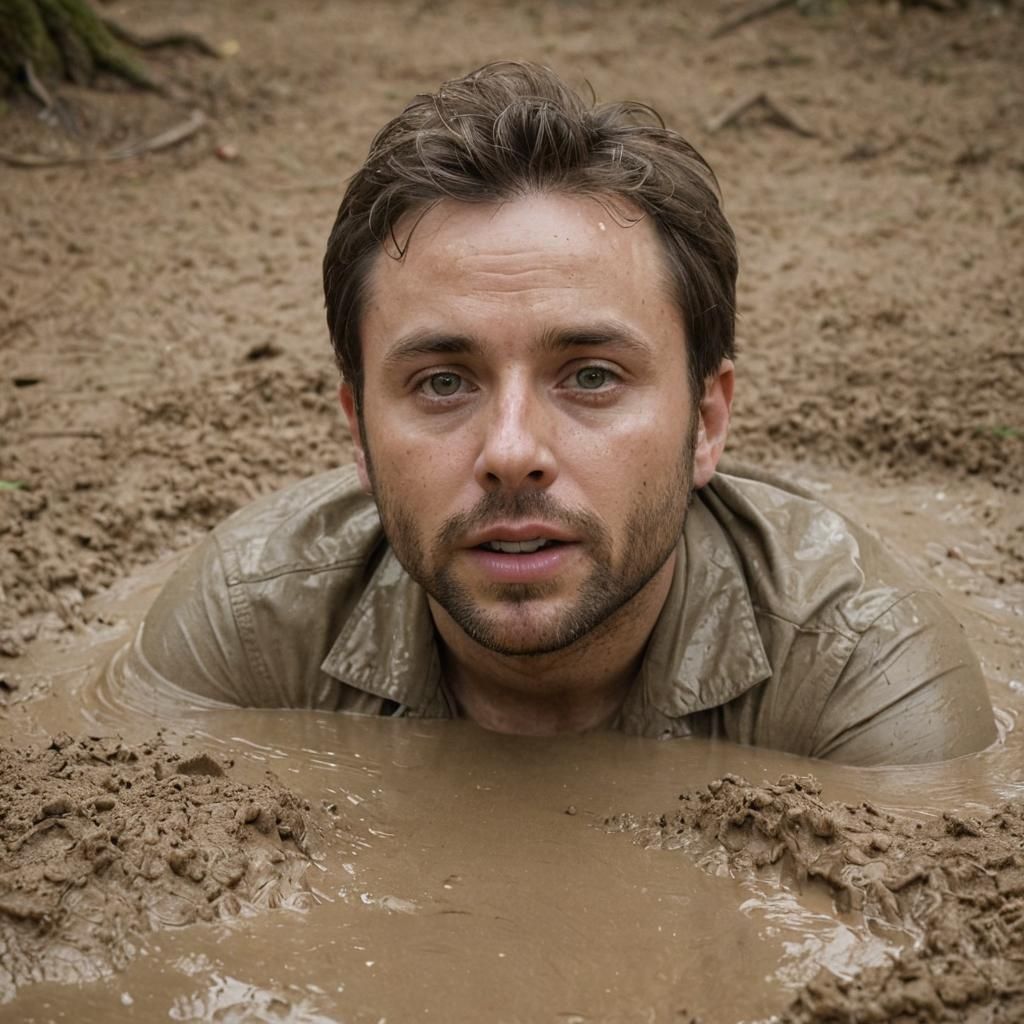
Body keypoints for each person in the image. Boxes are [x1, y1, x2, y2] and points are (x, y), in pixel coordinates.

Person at [115, 61, 996, 765]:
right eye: (442, 383)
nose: (510, 451)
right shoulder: (247, 627)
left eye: (591, 376)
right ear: (357, 430)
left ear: (709, 420)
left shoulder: (863, 671)